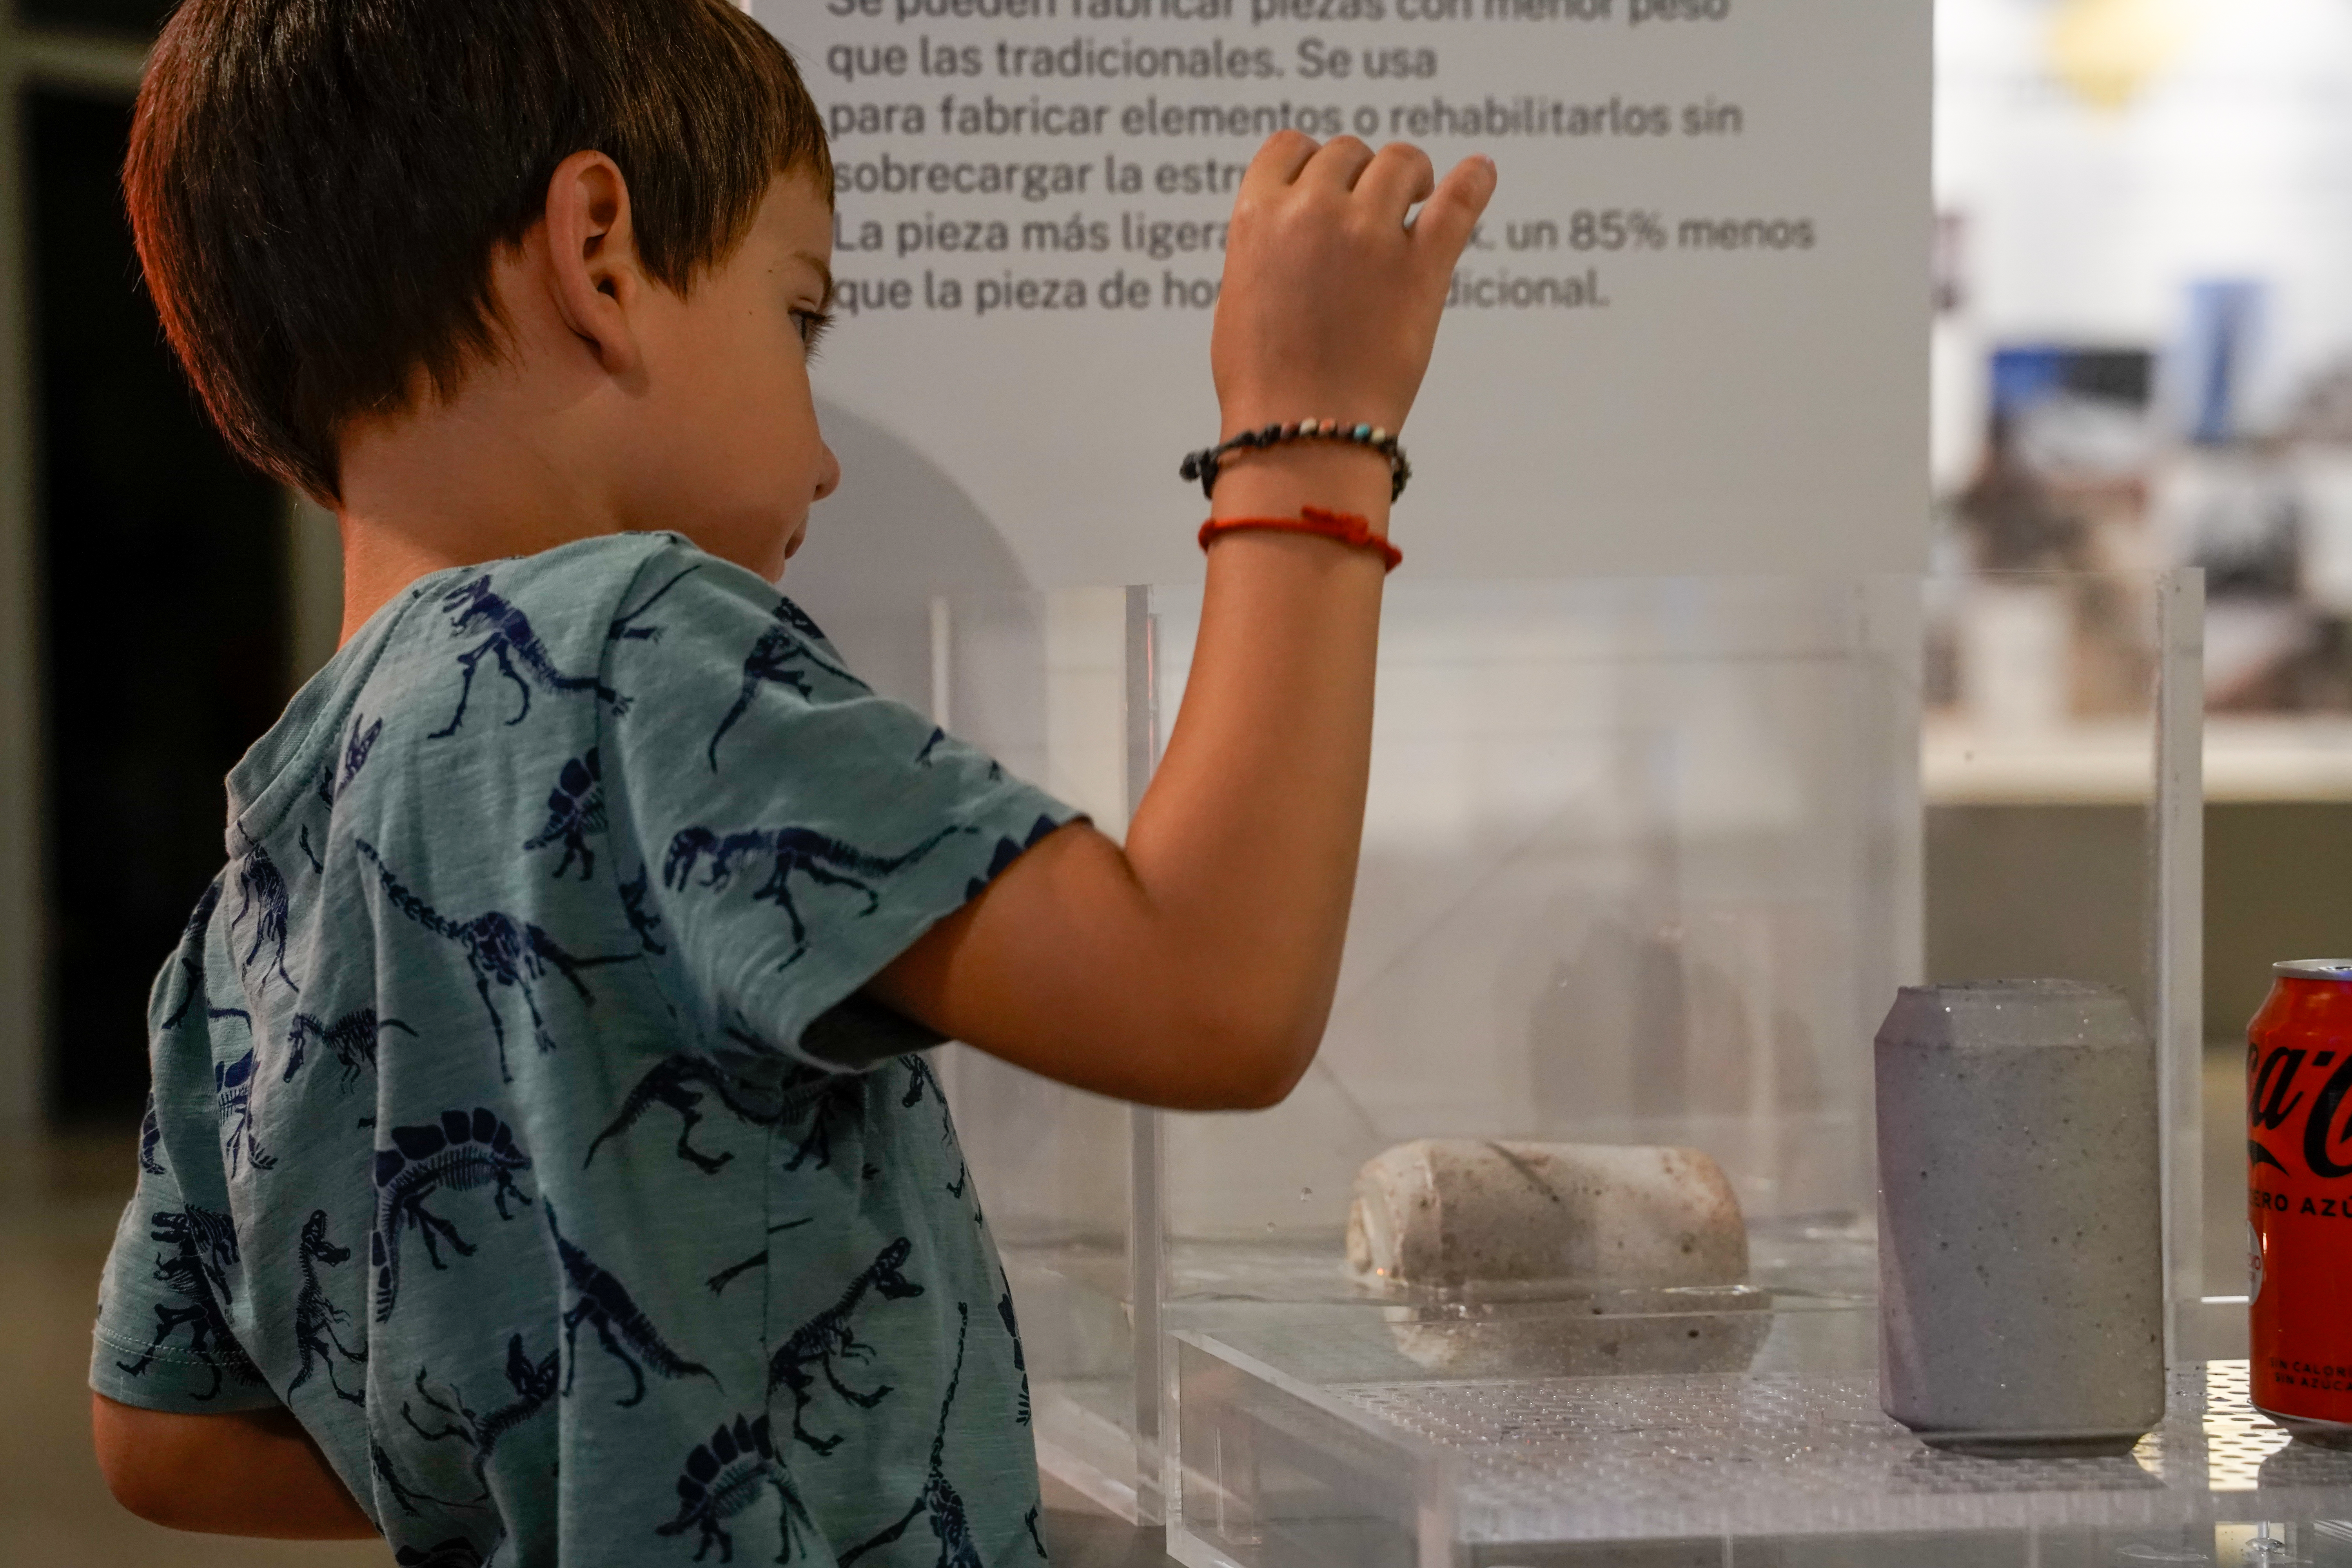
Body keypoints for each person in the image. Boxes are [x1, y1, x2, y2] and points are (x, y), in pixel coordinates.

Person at [86, 0, 1494, 1561]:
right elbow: (1215, 990)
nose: (825, 458)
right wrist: (1310, 433)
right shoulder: (631, 644)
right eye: (798, 310)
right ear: (601, 258)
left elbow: (164, 1438)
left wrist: (585, 1459)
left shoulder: (254, 880)